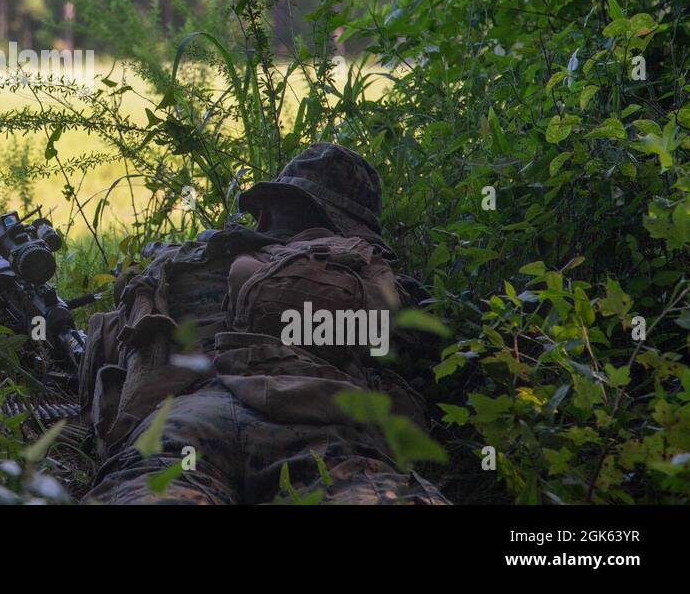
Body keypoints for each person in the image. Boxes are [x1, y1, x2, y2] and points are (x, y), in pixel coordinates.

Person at [79, 142, 448, 504]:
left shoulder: (180, 263)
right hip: (322, 424)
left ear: (267, 211)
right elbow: (422, 366)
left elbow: (112, 355)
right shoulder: (363, 272)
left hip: (187, 421)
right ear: (353, 229)